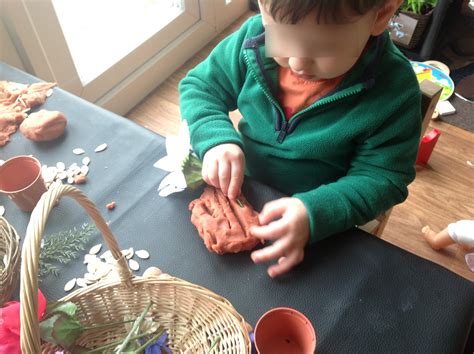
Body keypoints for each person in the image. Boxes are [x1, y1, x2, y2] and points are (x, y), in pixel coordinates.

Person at [179, 0, 421, 277]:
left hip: (319, 221)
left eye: (323, 48)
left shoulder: (394, 91)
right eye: (282, 38)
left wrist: (315, 212)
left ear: (382, 14)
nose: (297, 62)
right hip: (246, 187)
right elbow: (201, 87)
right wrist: (215, 138)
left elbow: (384, 178)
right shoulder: (252, 40)